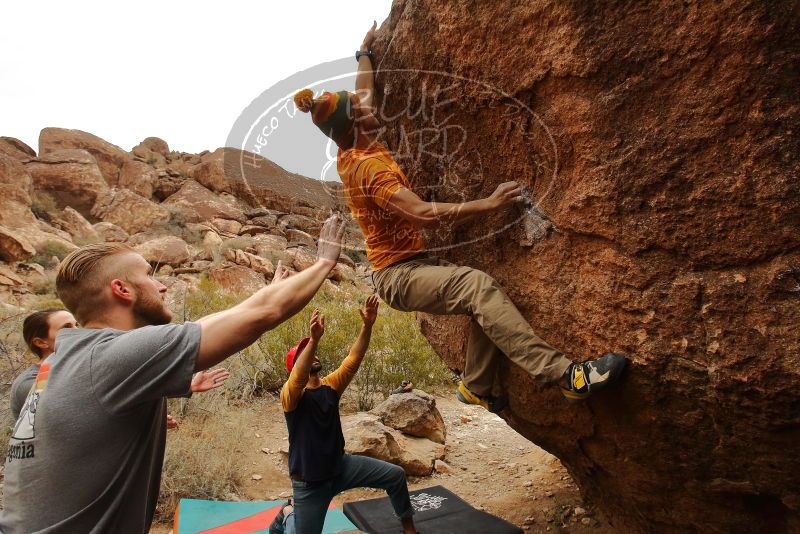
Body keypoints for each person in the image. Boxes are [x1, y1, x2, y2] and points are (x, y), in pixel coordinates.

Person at [293, 22, 627, 411]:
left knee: (482, 293)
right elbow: (421, 214)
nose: (370, 107)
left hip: (412, 264)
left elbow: (364, 92)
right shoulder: (367, 169)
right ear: (354, 124)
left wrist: (364, 53)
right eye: (362, 110)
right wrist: (489, 204)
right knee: (476, 286)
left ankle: (476, 385)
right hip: (397, 276)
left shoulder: (353, 137)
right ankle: (568, 376)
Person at [0, 214, 347, 533]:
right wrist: (324, 261)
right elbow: (260, 315)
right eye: (148, 276)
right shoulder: (111, 357)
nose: (162, 286)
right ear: (122, 289)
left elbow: (233, 315)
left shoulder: (57, 363)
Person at [270, 296, 417, 534]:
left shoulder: (331, 386)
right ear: (295, 366)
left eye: (312, 351)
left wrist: (367, 325)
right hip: (310, 483)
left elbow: (353, 358)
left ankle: (409, 529)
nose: (312, 355)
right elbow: (298, 376)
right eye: (304, 354)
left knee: (395, 476)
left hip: (341, 467)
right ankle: (288, 515)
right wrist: (314, 341)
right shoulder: (291, 396)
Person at [11, 309, 231, 425]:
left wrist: (187, 385)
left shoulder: (85, 368)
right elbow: (71, 413)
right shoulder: (27, 384)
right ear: (40, 342)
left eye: (76, 324)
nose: (76, 331)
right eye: (66, 328)